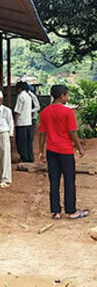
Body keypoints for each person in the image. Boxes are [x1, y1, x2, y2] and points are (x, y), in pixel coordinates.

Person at [39, 85, 88, 220]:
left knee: (54, 180)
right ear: (62, 96)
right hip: (65, 150)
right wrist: (79, 147)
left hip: (51, 150)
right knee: (69, 180)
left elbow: (42, 133)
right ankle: (71, 211)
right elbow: (72, 132)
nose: (68, 97)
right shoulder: (67, 112)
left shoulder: (45, 112)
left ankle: (56, 211)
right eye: (67, 95)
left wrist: (41, 151)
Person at [14, 82, 34, 162]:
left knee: (21, 142)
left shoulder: (20, 96)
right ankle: (30, 157)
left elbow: (17, 110)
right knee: (28, 142)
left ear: (19, 88)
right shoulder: (28, 96)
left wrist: (14, 122)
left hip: (21, 122)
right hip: (28, 122)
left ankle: (24, 157)